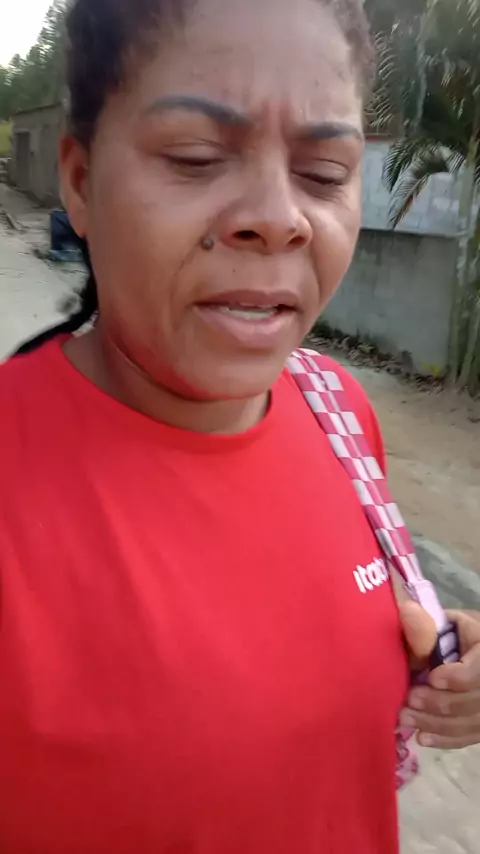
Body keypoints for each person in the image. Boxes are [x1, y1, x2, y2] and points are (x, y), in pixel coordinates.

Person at [0, 0, 479, 851]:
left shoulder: (338, 408)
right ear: (79, 180)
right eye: (196, 157)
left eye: (324, 173)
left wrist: (425, 651)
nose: (280, 216)